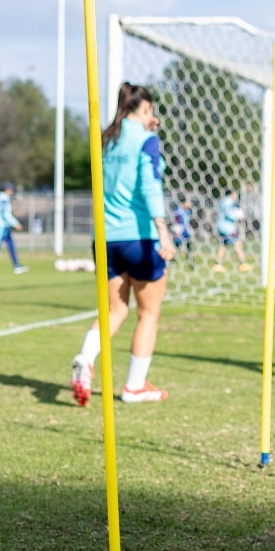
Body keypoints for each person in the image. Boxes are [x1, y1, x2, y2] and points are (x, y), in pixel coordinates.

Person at [69, 83, 178, 406]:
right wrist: (164, 230)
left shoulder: (105, 139)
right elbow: (149, 185)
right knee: (149, 314)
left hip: (105, 239)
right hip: (139, 236)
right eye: (152, 111)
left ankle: (86, 358)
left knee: (115, 309)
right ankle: (134, 386)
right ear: (145, 109)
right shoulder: (146, 140)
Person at [0, 182, 27, 274]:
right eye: (10, 189)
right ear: (6, 189)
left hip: (4, 226)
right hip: (1, 226)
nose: (12, 191)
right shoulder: (3, 198)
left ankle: (16, 265)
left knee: (11, 244)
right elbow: (5, 213)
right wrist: (15, 223)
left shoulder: (3, 197)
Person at [212, 192, 249, 272]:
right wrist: (238, 216)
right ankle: (242, 264)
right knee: (238, 243)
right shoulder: (229, 202)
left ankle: (217, 264)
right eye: (235, 194)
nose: (236, 196)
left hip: (221, 226)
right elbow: (229, 213)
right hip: (228, 228)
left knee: (223, 245)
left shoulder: (222, 201)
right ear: (232, 194)